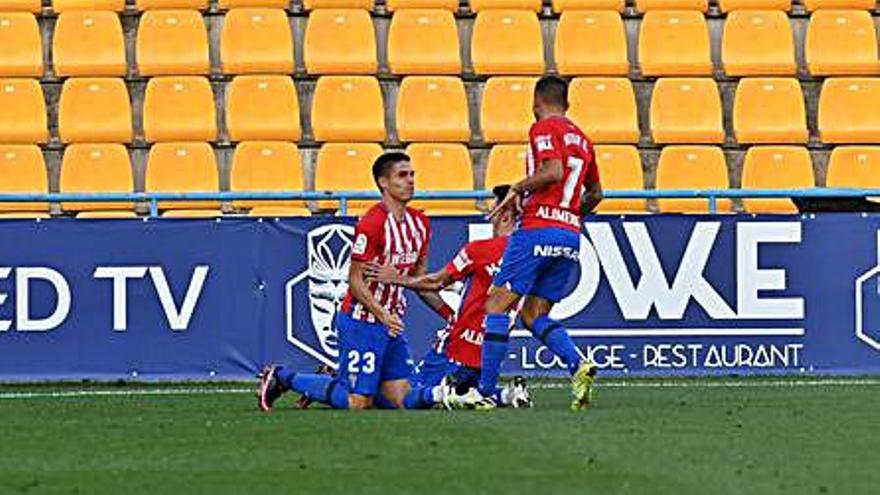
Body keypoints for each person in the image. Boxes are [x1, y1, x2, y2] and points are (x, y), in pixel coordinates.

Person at [258, 152, 455, 411]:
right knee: (359, 403)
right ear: (383, 183)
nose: (410, 181)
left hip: (391, 323)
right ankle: (283, 377)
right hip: (361, 323)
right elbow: (355, 281)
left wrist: (450, 314)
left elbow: (418, 282)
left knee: (402, 401)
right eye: (402, 175)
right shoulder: (372, 223)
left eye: (412, 175)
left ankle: (331, 379)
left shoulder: (421, 224)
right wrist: (382, 313)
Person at [469, 75, 604, 411]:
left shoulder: (543, 128)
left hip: (536, 229)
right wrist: (569, 216)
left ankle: (484, 390)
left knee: (496, 306)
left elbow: (554, 170)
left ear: (536, 102)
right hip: (570, 236)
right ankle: (578, 365)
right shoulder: (584, 140)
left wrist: (517, 187)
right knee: (533, 314)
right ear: (567, 103)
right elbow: (597, 194)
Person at [363, 184, 532, 409]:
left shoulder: (480, 250)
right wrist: (450, 314)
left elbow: (435, 282)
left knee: (397, 398)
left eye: (493, 208)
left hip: (456, 349)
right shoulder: (532, 257)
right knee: (470, 390)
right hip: (489, 353)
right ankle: (506, 395)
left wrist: (396, 278)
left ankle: (447, 391)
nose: (489, 214)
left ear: (504, 213)